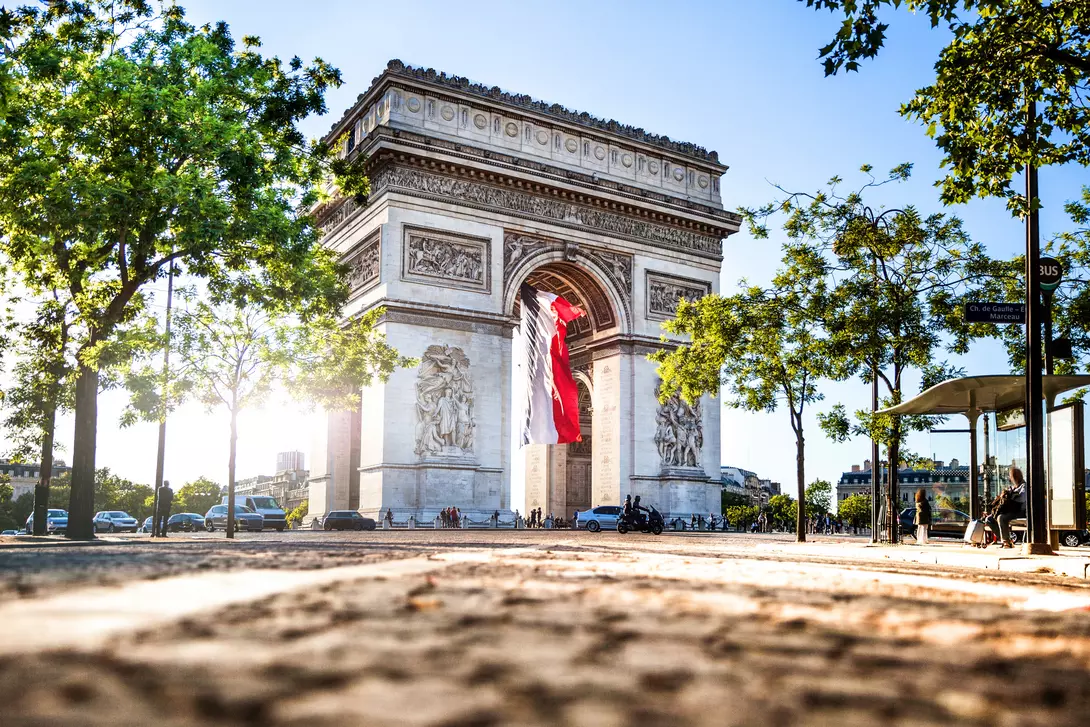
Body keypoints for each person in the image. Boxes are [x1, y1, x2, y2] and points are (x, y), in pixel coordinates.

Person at [985, 467, 1027, 548]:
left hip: (1019, 511)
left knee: (1001, 517)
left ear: (1015, 477)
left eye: (1011, 477)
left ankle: (1006, 541)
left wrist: (1011, 496)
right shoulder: (1013, 487)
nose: (1010, 479)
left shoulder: (1024, 486)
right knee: (989, 519)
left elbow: (1022, 499)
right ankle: (1006, 539)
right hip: (1010, 510)